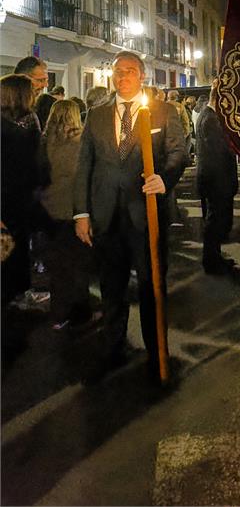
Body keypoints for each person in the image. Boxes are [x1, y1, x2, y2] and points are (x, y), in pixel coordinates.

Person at [73, 51, 187, 383]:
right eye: (117, 72)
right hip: (106, 217)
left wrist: (165, 177)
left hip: (146, 215)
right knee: (111, 287)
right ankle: (113, 347)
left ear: (142, 75)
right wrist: (81, 213)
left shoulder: (162, 112)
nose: (123, 77)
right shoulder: (96, 115)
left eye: (130, 71)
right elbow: (84, 166)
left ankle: (157, 352)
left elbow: (179, 152)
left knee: (152, 286)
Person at [40, 100, 95, 329]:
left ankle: (58, 313)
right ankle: (80, 311)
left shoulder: (42, 143)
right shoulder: (81, 142)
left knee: (58, 266)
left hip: (49, 212)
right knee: (79, 263)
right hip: (75, 211)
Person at [1, 74, 42, 360]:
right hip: (20, 197)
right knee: (17, 247)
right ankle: (17, 294)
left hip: (7, 197)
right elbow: (37, 161)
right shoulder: (29, 123)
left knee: (8, 249)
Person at [195, 79, 238, 274]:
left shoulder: (209, 115)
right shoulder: (211, 118)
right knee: (214, 223)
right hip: (216, 180)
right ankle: (211, 261)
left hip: (215, 179)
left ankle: (215, 257)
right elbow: (220, 150)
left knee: (215, 221)